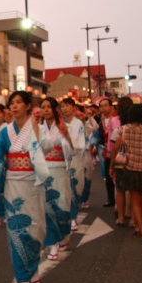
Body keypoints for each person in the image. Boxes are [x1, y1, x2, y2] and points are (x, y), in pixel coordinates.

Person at [0, 90, 49, 283]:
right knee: (17, 229)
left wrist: (36, 132)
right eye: (11, 103)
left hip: (33, 184)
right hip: (13, 185)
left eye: (18, 102)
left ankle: (32, 269)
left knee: (35, 228)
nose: (14, 107)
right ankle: (23, 279)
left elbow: (48, 148)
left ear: (27, 105)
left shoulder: (38, 127)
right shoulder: (5, 132)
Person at [109, 104, 142, 242]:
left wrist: (112, 166)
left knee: (135, 199)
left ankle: (141, 226)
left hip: (130, 168)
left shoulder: (123, 130)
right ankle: (137, 225)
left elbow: (115, 148)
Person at [39, 97, 73, 260]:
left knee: (62, 204)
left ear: (54, 109)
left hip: (59, 170)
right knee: (46, 207)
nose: (45, 110)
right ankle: (52, 243)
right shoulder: (38, 127)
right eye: (43, 107)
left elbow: (71, 148)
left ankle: (65, 233)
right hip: (44, 170)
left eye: (48, 107)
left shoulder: (62, 126)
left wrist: (65, 135)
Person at [60, 98, 86, 232]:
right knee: (65, 189)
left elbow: (81, 144)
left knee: (75, 187)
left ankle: (74, 216)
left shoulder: (79, 124)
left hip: (75, 158)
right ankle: (68, 217)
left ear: (73, 108)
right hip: (62, 160)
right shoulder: (58, 124)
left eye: (67, 106)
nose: (64, 109)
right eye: (62, 106)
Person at [108, 97, 134, 226]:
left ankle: (121, 215)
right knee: (135, 189)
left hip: (121, 159)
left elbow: (114, 146)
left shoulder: (119, 127)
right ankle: (133, 216)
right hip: (136, 160)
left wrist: (111, 164)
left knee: (119, 188)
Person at [97, 98, 116, 207]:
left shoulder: (116, 119)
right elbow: (100, 135)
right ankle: (110, 198)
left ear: (111, 107)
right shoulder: (102, 121)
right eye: (101, 106)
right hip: (106, 150)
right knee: (108, 175)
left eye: (105, 105)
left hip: (115, 150)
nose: (103, 108)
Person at [81, 104, 99, 209]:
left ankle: (84, 199)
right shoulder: (65, 124)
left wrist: (88, 117)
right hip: (74, 155)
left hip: (86, 152)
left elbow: (95, 128)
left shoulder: (86, 122)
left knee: (87, 177)